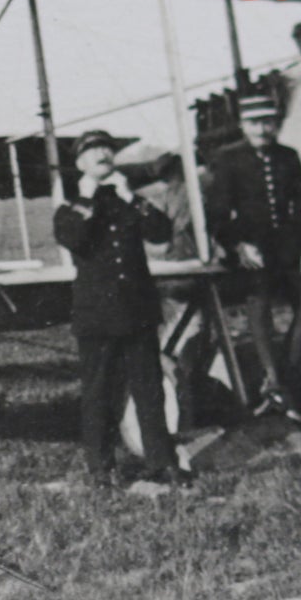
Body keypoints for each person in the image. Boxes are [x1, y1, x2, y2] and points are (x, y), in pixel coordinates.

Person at [53, 130, 192, 489]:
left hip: (138, 310)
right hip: (97, 315)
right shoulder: (71, 205)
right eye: (91, 150)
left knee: (150, 389)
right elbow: (75, 239)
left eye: (107, 148)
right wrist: (87, 198)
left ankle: (162, 462)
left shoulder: (127, 199)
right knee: (99, 392)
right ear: (80, 163)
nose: (102, 153)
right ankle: (101, 469)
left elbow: (160, 233)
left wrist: (132, 197)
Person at [205, 94, 301, 422]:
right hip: (251, 248)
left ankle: (283, 380)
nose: (262, 128)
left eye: (268, 121)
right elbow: (218, 212)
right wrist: (239, 245)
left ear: (276, 124)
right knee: (260, 306)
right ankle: (274, 380)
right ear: (243, 125)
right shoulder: (227, 158)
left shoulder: (288, 156)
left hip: (290, 245)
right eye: (255, 122)